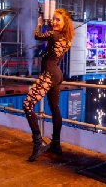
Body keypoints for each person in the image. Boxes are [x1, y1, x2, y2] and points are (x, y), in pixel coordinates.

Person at [23, 8, 74, 162]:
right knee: (54, 107)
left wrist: (39, 24)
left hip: (49, 75)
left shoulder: (53, 34)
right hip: (57, 74)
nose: (54, 22)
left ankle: (38, 142)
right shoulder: (66, 38)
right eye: (53, 19)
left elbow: (37, 35)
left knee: (27, 104)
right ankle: (56, 144)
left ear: (65, 23)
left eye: (58, 19)